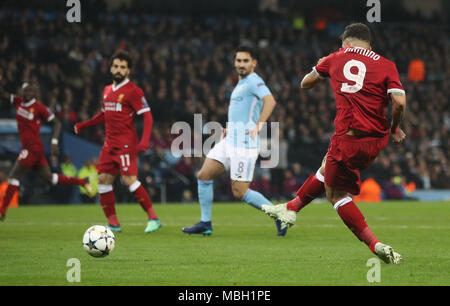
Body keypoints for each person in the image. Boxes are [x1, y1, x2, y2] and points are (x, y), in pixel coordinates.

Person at [262, 23, 407, 264]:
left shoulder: (335, 57)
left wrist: (321, 66)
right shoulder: (387, 64)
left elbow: (305, 84)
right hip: (376, 140)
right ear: (369, 44)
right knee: (325, 167)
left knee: (336, 195)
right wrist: (395, 128)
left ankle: (375, 244)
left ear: (347, 43)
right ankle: (291, 208)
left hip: (349, 138)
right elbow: (400, 103)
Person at [182, 46, 287, 236]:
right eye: (238, 60)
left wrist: (259, 125)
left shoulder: (254, 81)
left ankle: (279, 214)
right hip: (230, 140)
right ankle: (205, 223)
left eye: (245, 61)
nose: (241, 64)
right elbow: (244, 112)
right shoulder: (240, 83)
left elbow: (270, 101)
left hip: (244, 144)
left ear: (254, 63)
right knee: (204, 176)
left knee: (239, 191)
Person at [74, 50, 160, 233]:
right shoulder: (106, 90)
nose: (118, 70)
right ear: (110, 68)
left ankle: (153, 218)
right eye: (116, 66)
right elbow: (104, 114)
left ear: (128, 71)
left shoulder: (134, 91)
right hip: (109, 144)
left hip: (126, 144)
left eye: (122, 67)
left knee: (129, 180)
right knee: (103, 180)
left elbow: (148, 117)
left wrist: (144, 141)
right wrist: (84, 125)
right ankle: (113, 223)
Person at [0, 82, 92, 220]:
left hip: (33, 148)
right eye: (25, 90)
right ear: (21, 92)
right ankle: (82, 182)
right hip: (31, 149)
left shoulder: (39, 108)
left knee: (14, 176)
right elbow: (4, 95)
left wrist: (54, 141)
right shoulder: (18, 102)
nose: (28, 93)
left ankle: (2, 211)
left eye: (31, 91)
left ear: (35, 93)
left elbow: (57, 123)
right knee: (51, 179)